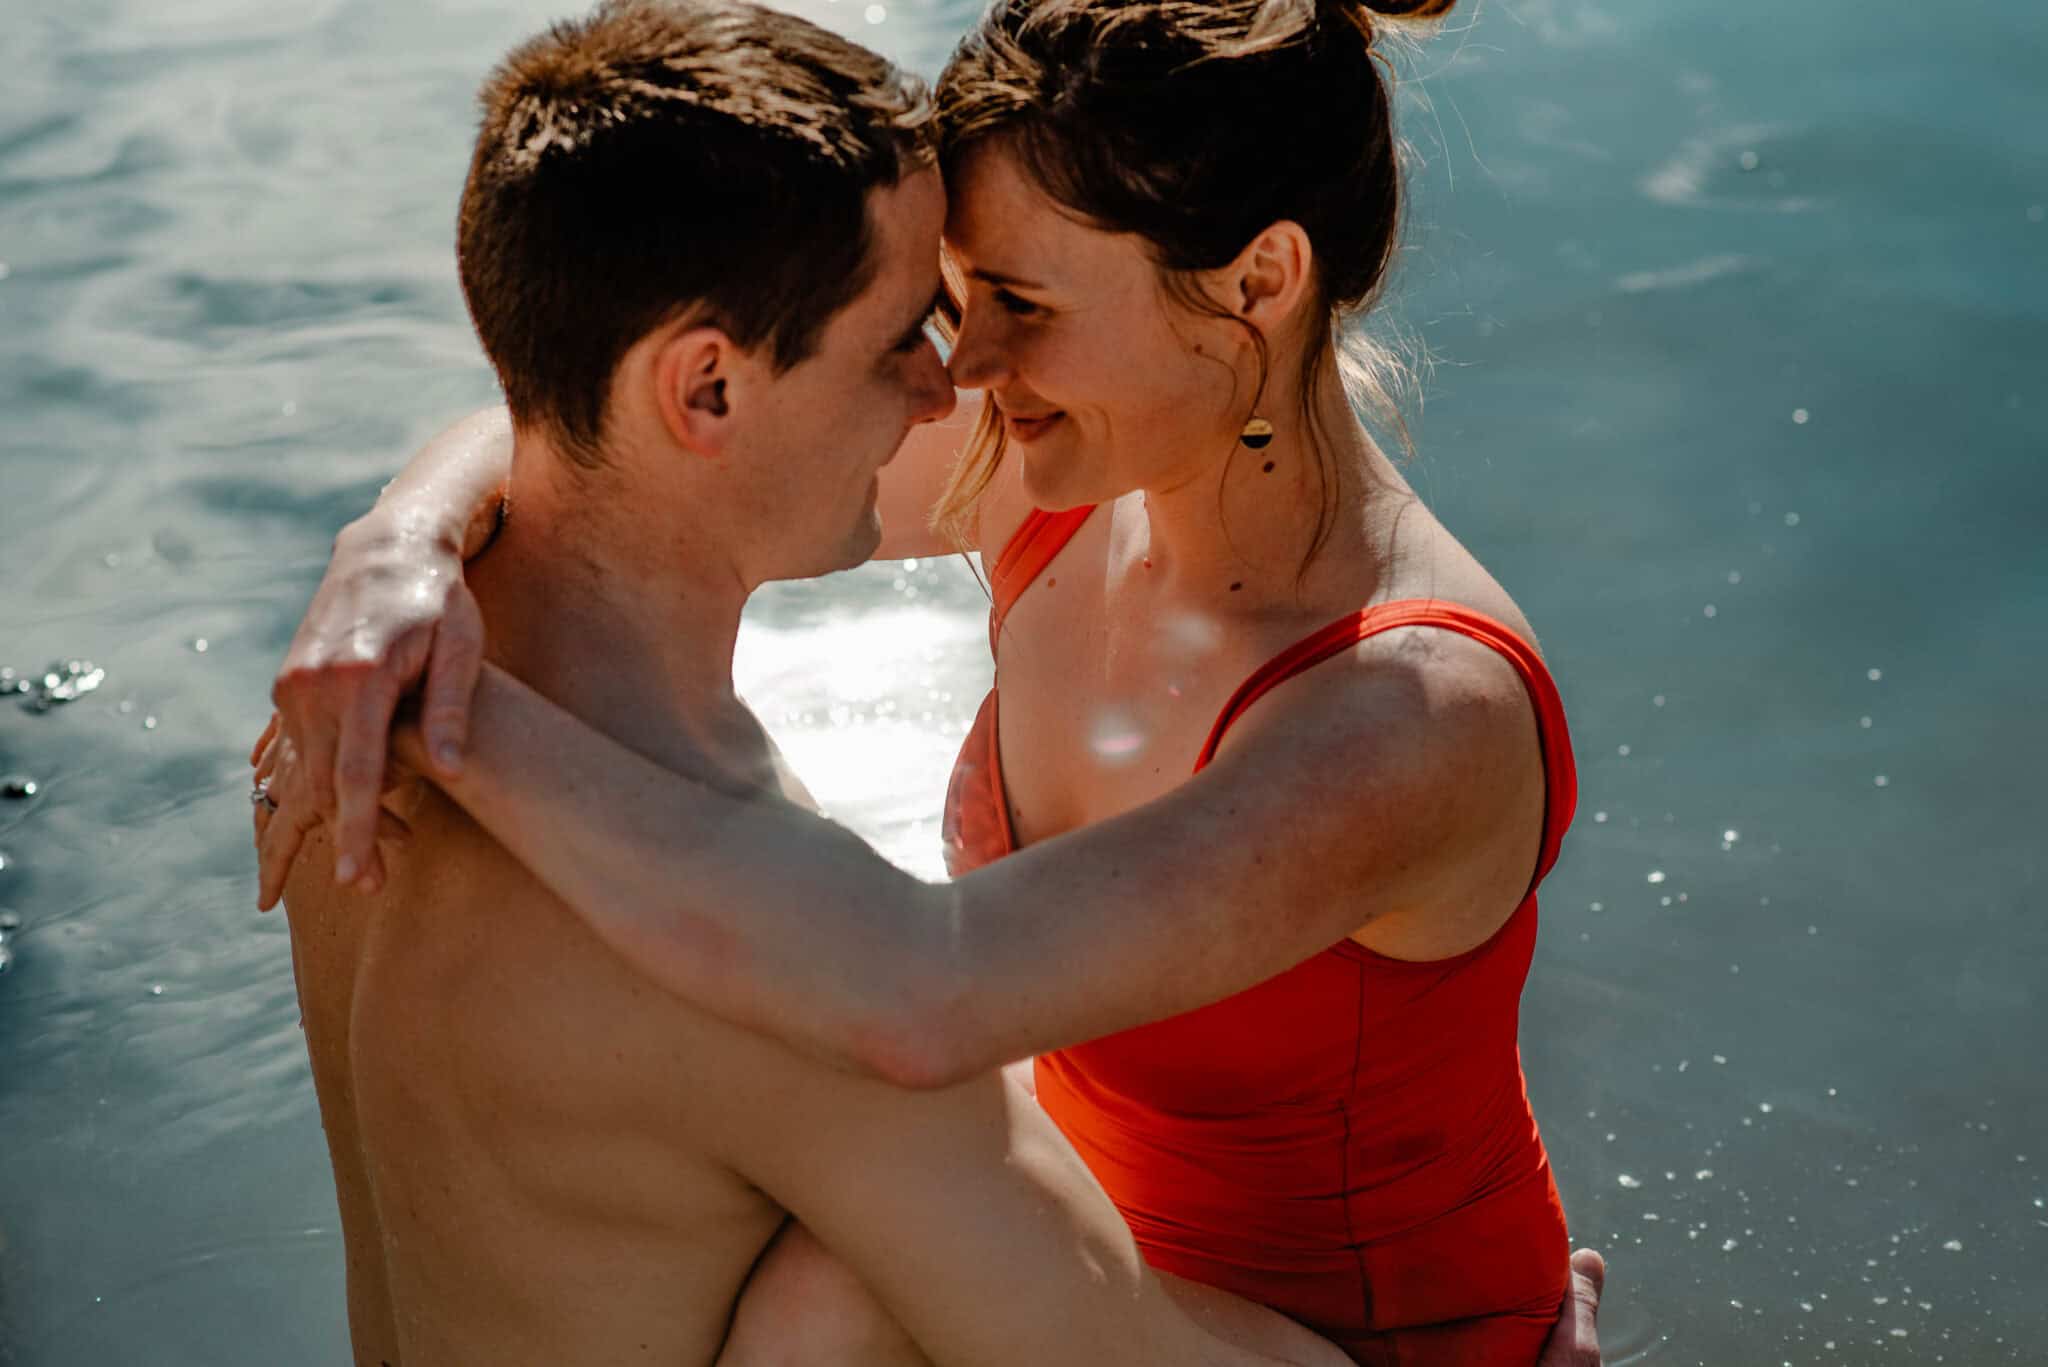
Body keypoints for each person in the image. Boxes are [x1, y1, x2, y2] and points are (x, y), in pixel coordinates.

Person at [259, 0, 1611, 1362]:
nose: (959, 368)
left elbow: (923, 991)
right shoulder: (1057, 468)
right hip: (1051, 1280)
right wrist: (397, 548)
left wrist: (458, 720)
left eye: (1020, 303)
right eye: (953, 301)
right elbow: (619, 409)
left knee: (833, 1302)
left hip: (1340, 1348)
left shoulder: (1409, 713)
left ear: (1260, 282)